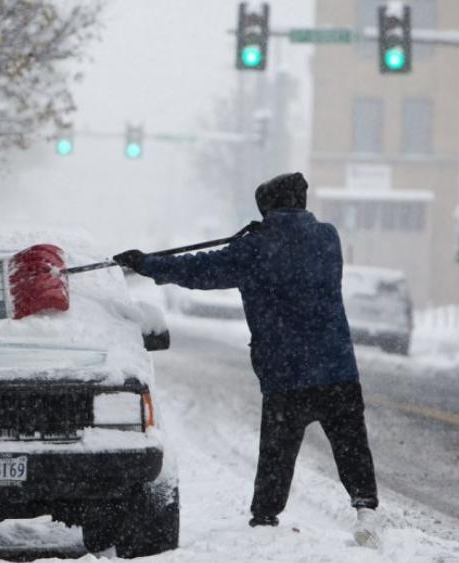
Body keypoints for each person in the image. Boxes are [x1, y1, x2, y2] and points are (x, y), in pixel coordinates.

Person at [112, 172, 380, 546]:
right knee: (350, 443)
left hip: (288, 374)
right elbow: (295, 246)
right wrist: (265, 232)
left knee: (277, 453)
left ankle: (265, 523)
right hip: (337, 369)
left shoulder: (254, 249)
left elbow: (198, 269)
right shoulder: (328, 238)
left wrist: (148, 264)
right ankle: (366, 510)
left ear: (267, 208)